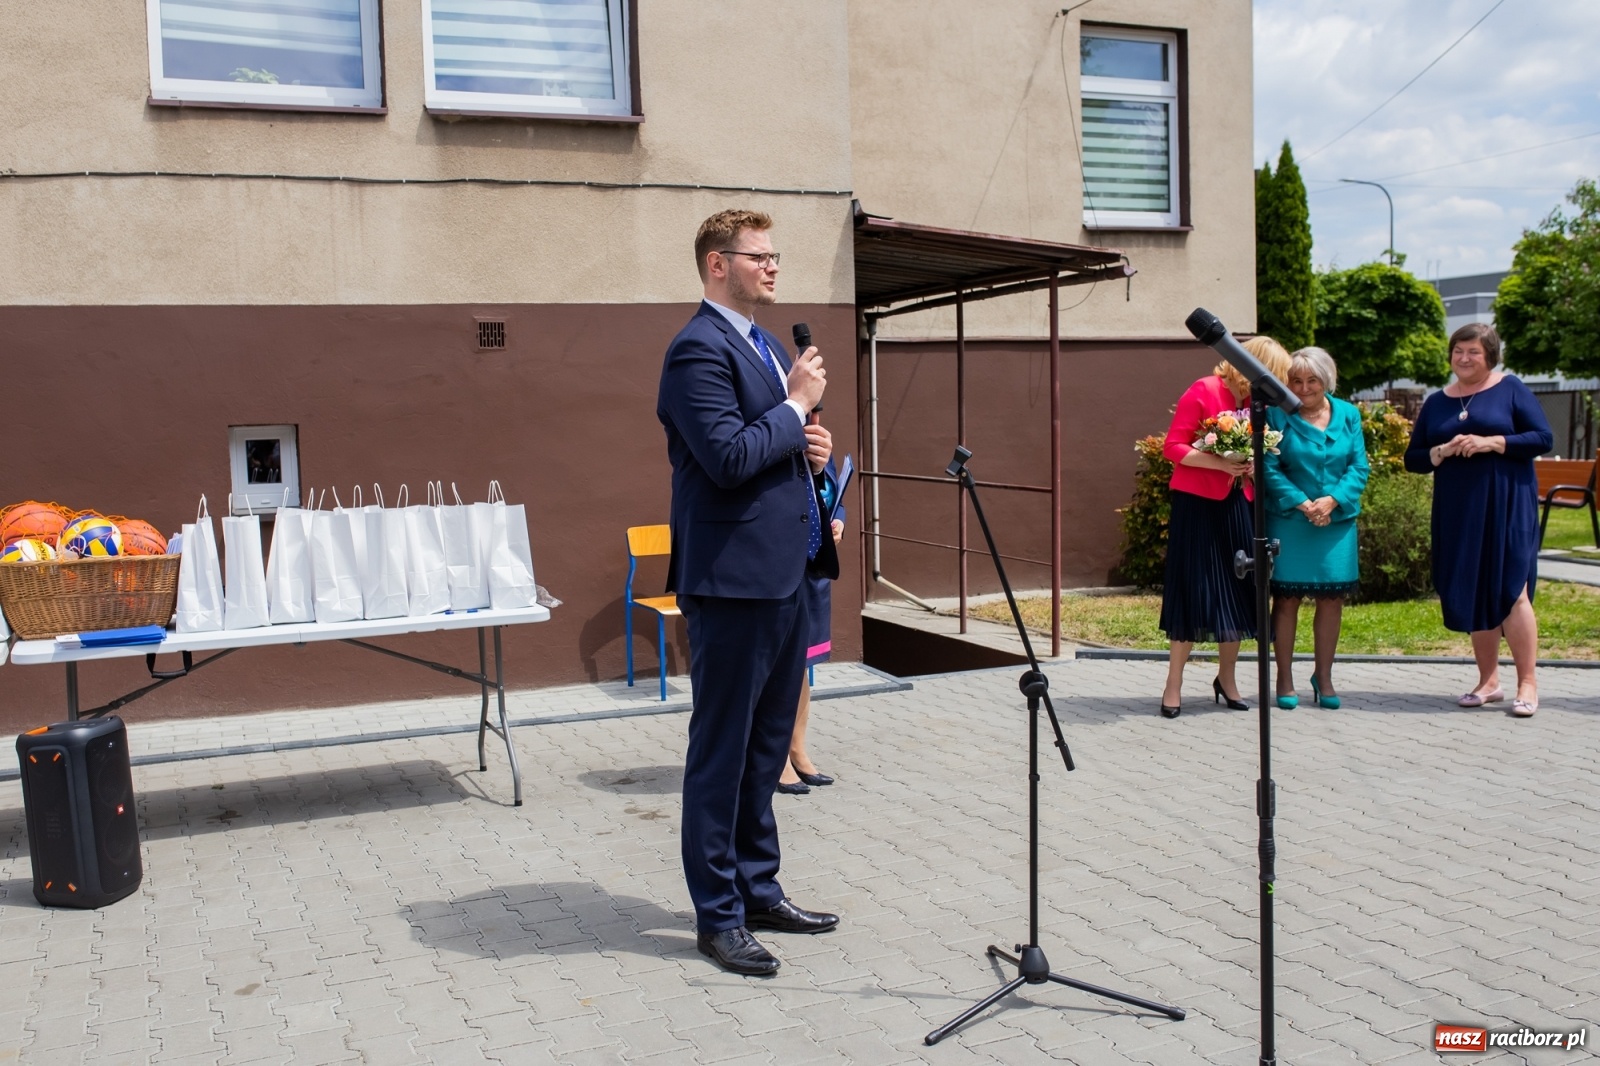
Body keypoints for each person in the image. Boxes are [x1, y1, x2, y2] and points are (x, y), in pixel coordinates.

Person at [657, 208, 842, 977]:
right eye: (756, 255)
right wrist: (796, 408)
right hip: (731, 583)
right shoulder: (695, 352)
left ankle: (758, 888)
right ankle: (719, 916)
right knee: (723, 751)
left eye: (774, 254)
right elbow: (730, 456)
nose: (771, 266)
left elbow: (772, 445)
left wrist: (814, 451)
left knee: (767, 748)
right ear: (715, 265)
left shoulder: (763, 345)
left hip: (785, 575)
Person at [1404, 323, 1552, 717]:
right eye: (1458, 351)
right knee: (1473, 588)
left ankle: (1527, 683)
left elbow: (1542, 437)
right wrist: (1441, 450)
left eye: (1473, 352)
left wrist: (1493, 442)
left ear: (1490, 356)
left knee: (1512, 589)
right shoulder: (1437, 401)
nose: (1464, 358)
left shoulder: (1511, 388)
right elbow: (1413, 458)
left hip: (1507, 503)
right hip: (1459, 509)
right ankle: (1489, 681)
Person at [1158, 336, 1291, 718]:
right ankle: (1173, 684)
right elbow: (1173, 447)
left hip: (1238, 505)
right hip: (1197, 507)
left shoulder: (1252, 404)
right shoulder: (1205, 389)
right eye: (1272, 374)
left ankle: (1227, 679)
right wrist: (1219, 463)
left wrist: (1250, 464)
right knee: (1194, 593)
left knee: (1237, 593)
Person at [1262, 347, 1369, 710]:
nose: (1304, 387)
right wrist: (1303, 502)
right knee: (1287, 599)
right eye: (1296, 380)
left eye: (1312, 380)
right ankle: (1285, 676)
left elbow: (1359, 468)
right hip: (1291, 519)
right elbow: (1268, 467)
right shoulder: (1275, 416)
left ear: (1327, 380)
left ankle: (1323, 676)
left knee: (1331, 600)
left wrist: (1332, 500)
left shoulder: (1349, 414)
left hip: (1336, 523)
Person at [777, 446, 845, 796]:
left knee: (801, 666)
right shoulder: (769, 436)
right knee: (778, 668)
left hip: (812, 568)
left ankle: (797, 749)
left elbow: (833, 495)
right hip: (777, 567)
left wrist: (838, 523)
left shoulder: (819, 443)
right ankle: (775, 759)